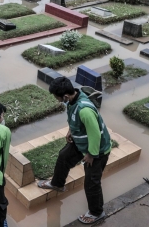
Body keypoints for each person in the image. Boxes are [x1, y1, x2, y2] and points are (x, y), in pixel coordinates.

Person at [38, 77, 111, 225]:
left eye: (57, 97)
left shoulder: (85, 110)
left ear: (65, 96)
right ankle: (57, 184)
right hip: (81, 142)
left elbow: (95, 135)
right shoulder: (73, 100)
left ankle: (97, 212)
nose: (56, 99)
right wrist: (71, 131)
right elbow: (74, 118)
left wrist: (91, 155)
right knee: (64, 156)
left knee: (91, 182)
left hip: (98, 150)